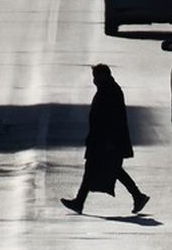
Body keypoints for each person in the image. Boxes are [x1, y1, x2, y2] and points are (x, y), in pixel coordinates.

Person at [61, 64, 150, 214]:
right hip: (102, 140)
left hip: (107, 141)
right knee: (104, 169)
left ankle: (137, 196)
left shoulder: (110, 91)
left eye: (96, 76)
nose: (94, 80)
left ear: (103, 75)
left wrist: (109, 142)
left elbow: (112, 119)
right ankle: (80, 202)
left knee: (105, 169)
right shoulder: (108, 89)